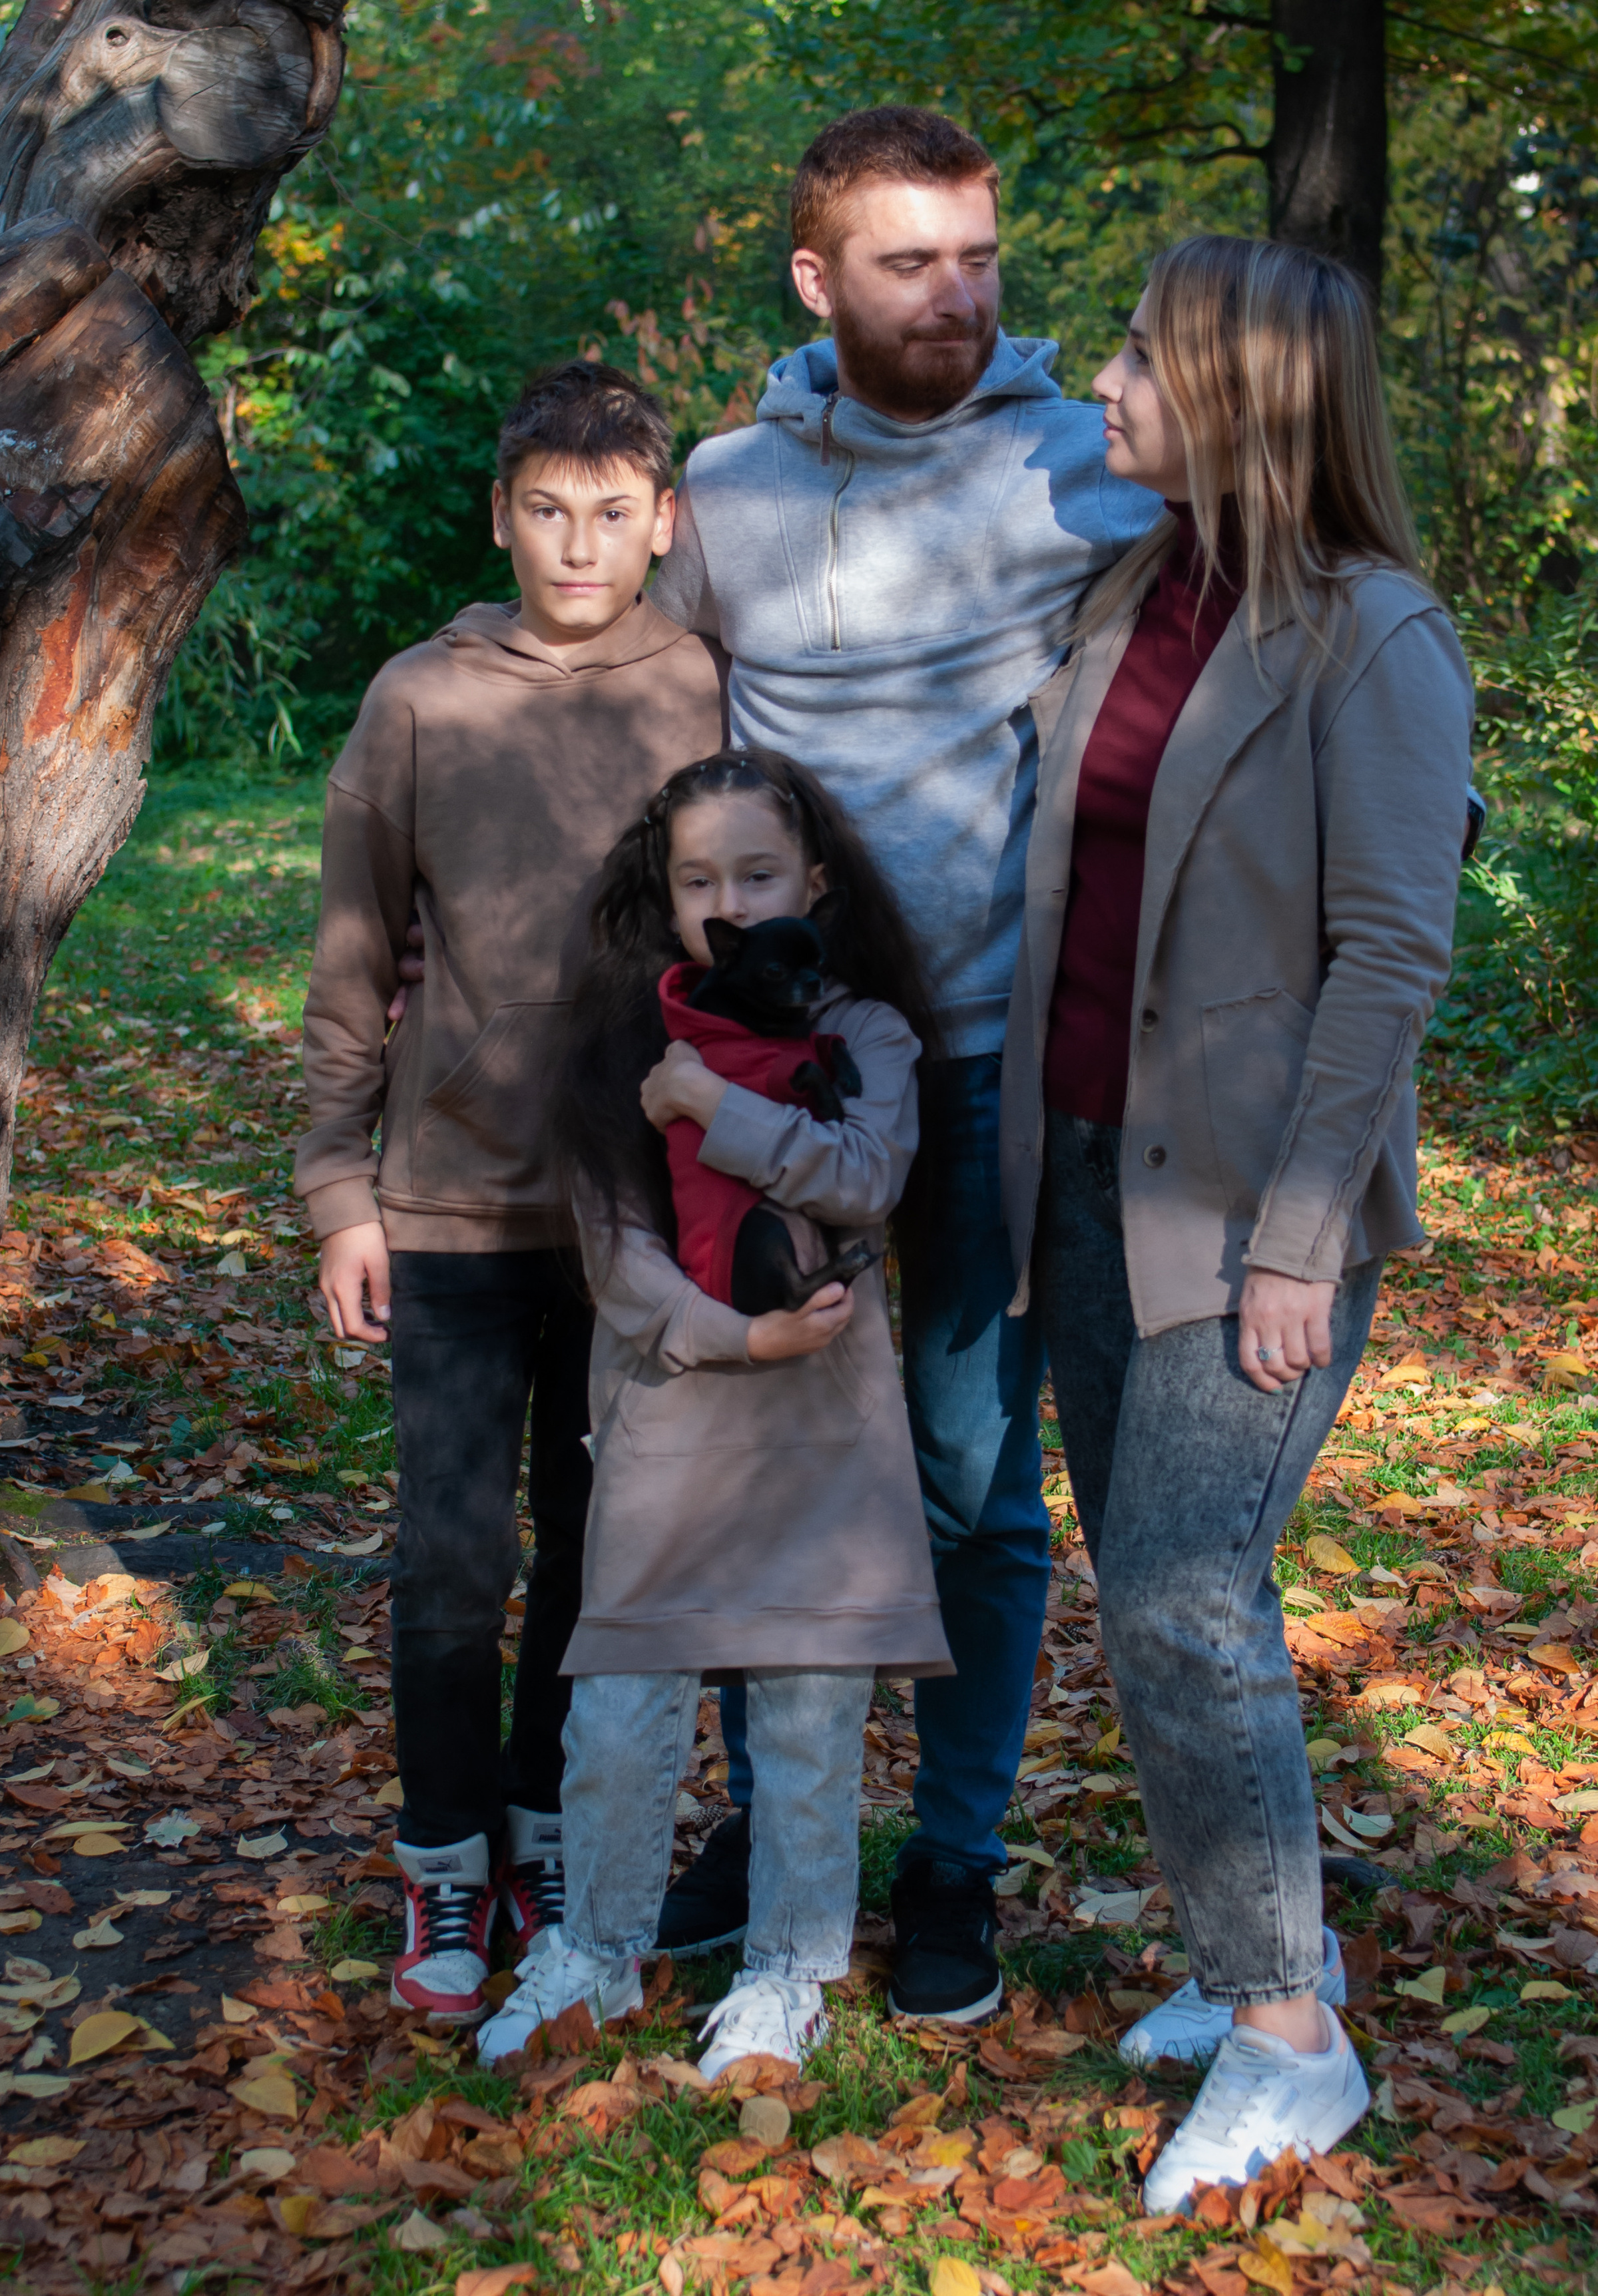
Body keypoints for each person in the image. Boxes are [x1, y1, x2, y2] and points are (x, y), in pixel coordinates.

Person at [648, 105, 1163, 2022]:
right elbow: (623, 678)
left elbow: (1279, 580)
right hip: (763, 1078)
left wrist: (1408, 783)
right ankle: (769, 1820)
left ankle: (955, 1858)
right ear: (815, 282)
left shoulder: (1076, 467)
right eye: (909, 262)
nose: (959, 296)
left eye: (979, 257)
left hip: (971, 1074)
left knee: (967, 1487)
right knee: (758, 1451)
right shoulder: (731, 490)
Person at [997, 235, 1473, 2206]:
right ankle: (1252, 1961)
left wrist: (1300, 1233)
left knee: (1191, 1597)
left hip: (1252, 1215)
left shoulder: (1375, 633)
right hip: (1092, 1174)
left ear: (1249, 390)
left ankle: (1291, 2041)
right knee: (1166, 1595)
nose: (1102, 386)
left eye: (1139, 355)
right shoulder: (1142, 585)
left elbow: (1391, 957)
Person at [294, 362, 728, 2024]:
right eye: (546, 510)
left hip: (628, 1214)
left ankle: (549, 1843)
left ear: (661, 524)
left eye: (612, 514)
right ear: (500, 515)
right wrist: (340, 1187)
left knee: (591, 1551)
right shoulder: (421, 698)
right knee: (451, 1563)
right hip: (452, 1205)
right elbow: (349, 959)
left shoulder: (698, 687)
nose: (576, 543)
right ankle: (442, 1874)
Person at [474, 748, 951, 2074]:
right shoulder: (625, 1042)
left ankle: (788, 1967)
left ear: (810, 879)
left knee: (805, 1716)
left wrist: (720, 1108)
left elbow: (865, 1176)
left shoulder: (860, 1035)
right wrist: (736, 1331)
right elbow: (621, 1267)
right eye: (698, 878)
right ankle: (597, 1953)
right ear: (665, 893)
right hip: (674, 1409)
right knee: (620, 1715)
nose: (725, 898)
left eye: (754, 871)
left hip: (822, 1429)